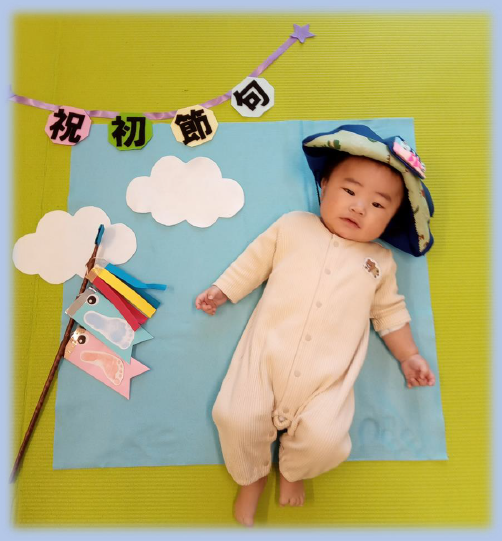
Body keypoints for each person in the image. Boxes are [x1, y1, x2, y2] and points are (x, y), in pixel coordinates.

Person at [195, 124, 436, 527]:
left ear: (392, 220)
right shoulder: (293, 226)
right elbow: (255, 261)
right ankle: (252, 477)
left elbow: (390, 314)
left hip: (327, 380)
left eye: (378, 205)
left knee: (326, 441)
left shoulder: (379, 262)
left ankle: (294, 470)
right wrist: (223, 290)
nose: (359, 207)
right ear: (324, 186)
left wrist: (409, 355)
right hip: (265, 361)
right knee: (235, 417)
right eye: (350, 191)